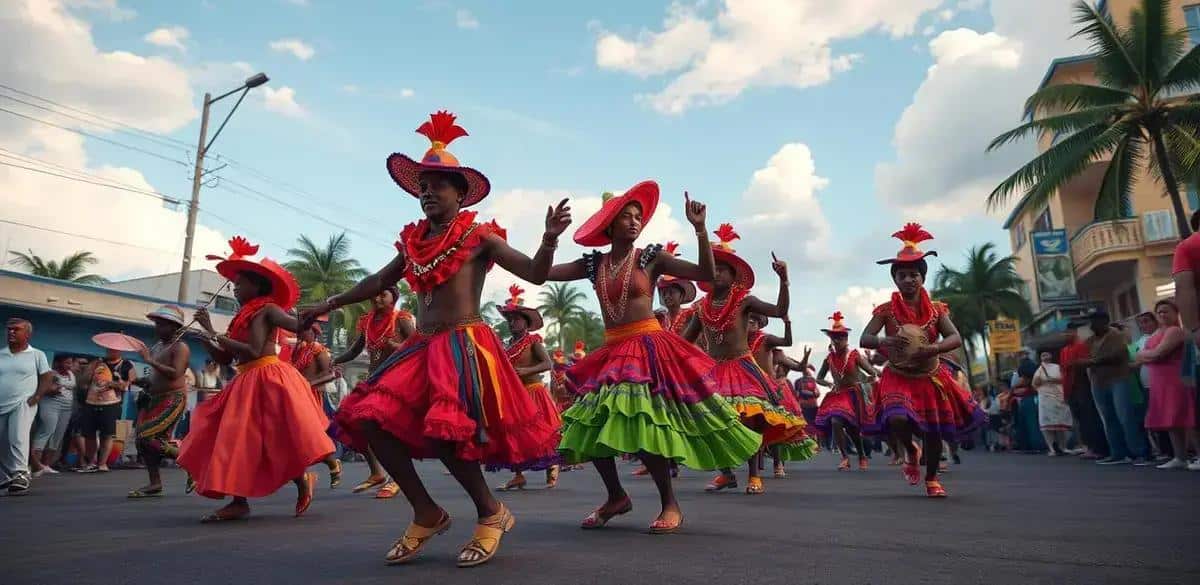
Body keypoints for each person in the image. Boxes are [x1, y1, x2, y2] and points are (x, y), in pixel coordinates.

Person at [304, 111, 569, 567]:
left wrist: (548, 239)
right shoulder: (412, 242)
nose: (427, 192)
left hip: (464, 347)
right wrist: (329, 304)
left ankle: (491, 512)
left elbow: (536, 273)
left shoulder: (480, 236)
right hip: (421, 349)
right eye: (422, 185)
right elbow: (377, 280)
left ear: (461, 193)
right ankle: (426, 512)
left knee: (449, 433)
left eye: (438, 184)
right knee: (367, 419)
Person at [549, 183, 759, 533]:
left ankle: (670, 503)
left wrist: (700, 229)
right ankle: (616, 496)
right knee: (591, 422)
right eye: (626, 217)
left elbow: (705, 274)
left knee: (644, 423)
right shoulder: (594, 265)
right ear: (609, 225)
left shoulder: (651, 258)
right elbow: (538, 274)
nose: (634, 222)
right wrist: (549, 238)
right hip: (611, 351)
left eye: (637, 217)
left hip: (646, 349)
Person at [177, 236, 335, 522]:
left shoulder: (268, 309)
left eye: (239, 284)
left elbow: (260, 345)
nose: (235, 288)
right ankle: (239, 501)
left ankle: (302, 481)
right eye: (234, 284)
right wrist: (208, 340)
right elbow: (227, 359)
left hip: (268, 377)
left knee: (275, 438)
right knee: (234, 439)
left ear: (257, 285)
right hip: (245, 379)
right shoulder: (239, 317)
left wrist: (215, 333)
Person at [679, 223, 810, 495]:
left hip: (742, 368)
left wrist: (784, 280)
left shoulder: (744, 302)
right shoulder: (701, 308)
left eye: (722, 269)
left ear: (733, 274)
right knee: (708, 421)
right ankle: (726, 474)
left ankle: (753, 474)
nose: (716, 273)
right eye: (712, 267)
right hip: (713, 371)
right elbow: (684, 343)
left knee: (748, 418)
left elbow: (779, 309)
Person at [859, 223, 986, 498]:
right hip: (898, 374)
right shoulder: (885, 310)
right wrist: (886, 341)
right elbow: (865, 339)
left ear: (922, 279)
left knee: (933, 430)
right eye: (902, 275)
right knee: (897, 419)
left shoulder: (938, 310)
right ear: (895, 280)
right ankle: (909, 450)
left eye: (913, 275)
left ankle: (931, 479)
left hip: (930, 375)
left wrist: (932, 350)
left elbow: (955, 338)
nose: (908, 280)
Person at [332, 285, 415, 499]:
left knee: (391, 431)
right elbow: (355, 350)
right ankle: (377, 473)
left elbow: (418, 347)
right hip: (373, 381)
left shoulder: (401, 319)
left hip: (396, 383)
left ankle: (397, 480)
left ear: (393, 298)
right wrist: (334, 360)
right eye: (374, 294)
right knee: (351, 419)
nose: (377, 299)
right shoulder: (367, 321)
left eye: (382, 295)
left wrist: (395, 346)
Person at [494, 284, 561, 490]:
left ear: (526, 322)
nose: (513, 323)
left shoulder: (533, 341)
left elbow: (547, 364)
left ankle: (552, 465)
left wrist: (525, 371)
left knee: (541, 433)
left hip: (534, 391)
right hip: (516, 395)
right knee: (514, 435)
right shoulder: (507, 345)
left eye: (517, 319)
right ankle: (518, 475)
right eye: (510, 320)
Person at [125, 305, 191, 497]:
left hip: (173, 399)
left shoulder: (181, 347)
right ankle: (155, 484)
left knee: (148, 436)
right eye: (157, 324)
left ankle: (191, 463)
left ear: (174, 327)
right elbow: (155, 377)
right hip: (154, 398)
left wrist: (149, 360)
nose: (157, 328)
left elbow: (176, 373)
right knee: (143, 442)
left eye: (162, 325)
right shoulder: (157, 347)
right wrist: (140, 381)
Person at [1077, 310, 1151, 465]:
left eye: (1095, 321)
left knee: (1125, 417)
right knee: (1109, 419)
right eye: (1090, 321)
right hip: (1098, 381)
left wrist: (1092, 362)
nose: (1091, 325)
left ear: (1104, 321)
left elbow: (1118, 355)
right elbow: (1084, 357)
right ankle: (1118, 453)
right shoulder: (1090, 341)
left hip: (1118, 379)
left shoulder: (1116, 335)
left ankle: (1140, 452)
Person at [746, 312, 813, 479]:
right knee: (749, 428)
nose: (752, 322)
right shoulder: (739, 344)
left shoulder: (768, 342)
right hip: (747, 390)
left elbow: (788, 345)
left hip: (770, 391)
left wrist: (787, 323)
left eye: (755, 320)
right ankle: (731, 473)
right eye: (748, 319)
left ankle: (776, 464)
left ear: (760, 324)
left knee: (771, 426)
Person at [1136, 300, 1198, 470]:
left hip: (1175, 379)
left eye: (1166, 311)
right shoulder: (1157, 333)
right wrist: (1147, 355)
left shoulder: (1175, 331)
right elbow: (1140, 357)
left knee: (1187, 417)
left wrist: (1145, 355)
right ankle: (1180, 457)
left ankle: (1198, 455)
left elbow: (1158, 353)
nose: (1162, 315)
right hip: (1159, 381)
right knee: (1171, 420)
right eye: (1159, 312)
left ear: (1175, 313)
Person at [814, 311, 877, 471]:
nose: (837, 340)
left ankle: (862, 455)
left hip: (854, 395)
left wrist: (867, 381)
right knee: (836, 421)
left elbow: (872, 372)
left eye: (841, 337)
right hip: (838, 395)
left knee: (853, 429)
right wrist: (828, 384)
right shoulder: (829, 358)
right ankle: (844, 457)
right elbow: (819, 378)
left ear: (846, 339)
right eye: (834, 338)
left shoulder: (854, 355)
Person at [0, 318, 54, 495]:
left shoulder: (37, 354)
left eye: (16, 330)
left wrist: (37, 396)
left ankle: (21, 473)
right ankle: (7, 477)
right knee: (3, 441)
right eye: (9, 329)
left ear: (27, 334)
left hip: (23, 403)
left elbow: (47, 377)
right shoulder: (1, 354)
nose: (11, 332)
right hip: (2, 404)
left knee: (18, 437)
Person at [287, 323, 344, 488]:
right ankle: (309, 473)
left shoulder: (320, 350)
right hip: (297, 395)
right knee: (299, 436)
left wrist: (308, 383)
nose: (300, 331)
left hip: (312, 397)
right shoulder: (298, 350)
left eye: (305, 329)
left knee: (310, 436)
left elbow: (331, 374)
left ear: (313, 332)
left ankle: (331, 465)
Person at [1060, 322, 1108, 459]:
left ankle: (1098, 448)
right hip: (1070, 388)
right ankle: (1088, 446)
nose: (1067, 335)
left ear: (1075, 332)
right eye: (1065, 332)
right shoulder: (1064, 350)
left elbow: (1085, 364)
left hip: (1082, 385)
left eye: (1069, 332)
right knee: (1080, 420)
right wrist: (1065, 392)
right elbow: (1064, 371)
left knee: (1090, 418)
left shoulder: (1081, 345)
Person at [80, 347, 128, 472]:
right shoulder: (97, 363)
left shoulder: (125, 365)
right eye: (109, 350)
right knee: (89, 434)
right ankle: (91, 462)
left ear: (119, 351)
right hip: (91, 402)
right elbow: (83, 381)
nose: (111, 352)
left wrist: (114, 384)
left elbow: (127, 386)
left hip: (111, 403)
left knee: (107, 434)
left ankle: (102, 463)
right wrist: (91, 367)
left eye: (115, 350)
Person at [30, 354, 76, 476]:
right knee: (46, 431)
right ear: (57, 363)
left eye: (70, 363)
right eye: (66, 362)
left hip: (66, 408)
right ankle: (34, 465)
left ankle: (46, 465)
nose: (69, 365)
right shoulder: (50, 374)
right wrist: (53, 389)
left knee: (57, 436)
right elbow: (43, 389)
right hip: (51, 405)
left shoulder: (71, 374)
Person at [1032, 351, 1073, 456]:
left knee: (1061, 422)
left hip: (1058, 397)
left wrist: (1053, 380)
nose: (1045, 356)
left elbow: (1064, 379)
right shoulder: (1039, 370)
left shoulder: (1057, 367)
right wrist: (1040, 381)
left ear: (1051, 356)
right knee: (1047, 424)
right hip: (1045, 399)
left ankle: (1063, 447)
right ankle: (1052, 448)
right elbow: (1034, 384)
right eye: (1043, 355)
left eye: (1047, 354)